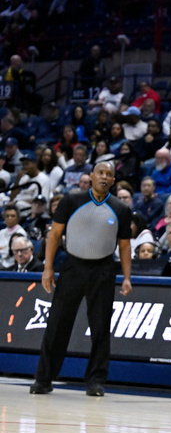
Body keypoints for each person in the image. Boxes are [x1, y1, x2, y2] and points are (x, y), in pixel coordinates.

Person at [30, 161, 133, 397]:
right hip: (73, 267)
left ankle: (96, 381)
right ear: (92, 176)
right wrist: (48, 269)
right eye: (101, 173)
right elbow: (54, 235)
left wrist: (127, 276)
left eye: (109, 174)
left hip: (104, 270)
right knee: (57, 324)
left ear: (113, 181)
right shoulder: (71, 200)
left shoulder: (120, 208)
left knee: (100, 327)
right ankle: (44, 379)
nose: (104, 177)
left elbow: (125, 246)